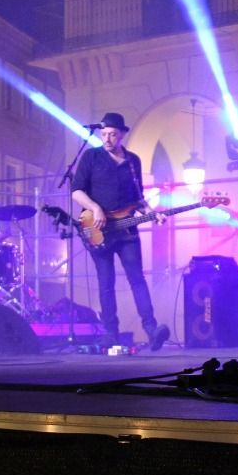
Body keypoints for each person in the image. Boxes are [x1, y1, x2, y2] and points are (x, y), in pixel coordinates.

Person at [70, 112, 170, 350]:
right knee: (106, 282)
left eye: (113, 134)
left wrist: (153, 212)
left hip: (127, 229)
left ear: (122, 135)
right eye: (104, 134)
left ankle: (151, 329)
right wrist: (95, 208)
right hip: (98, 228)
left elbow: (139, 199)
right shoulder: (91, 157)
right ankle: (110, 333)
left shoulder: (133, 161)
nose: (107, 139)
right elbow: (76, 191)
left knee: (138, 279)